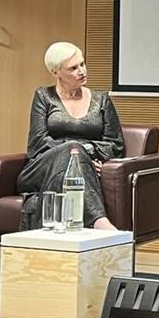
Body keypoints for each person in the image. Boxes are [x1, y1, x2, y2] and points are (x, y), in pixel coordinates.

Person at [17, 41, 123, 231]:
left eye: (82, 64)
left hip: (81, 168)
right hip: (41, 168)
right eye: (73, 68)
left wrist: (83, 155)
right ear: (56, 72)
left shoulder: (101, 100)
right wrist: (74, 149)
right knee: (72, 149)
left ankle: (56, 239)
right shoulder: (44, 97)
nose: (82, 71)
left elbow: (115, 144)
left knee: (73, 155)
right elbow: (38, 143)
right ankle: (99, 221)